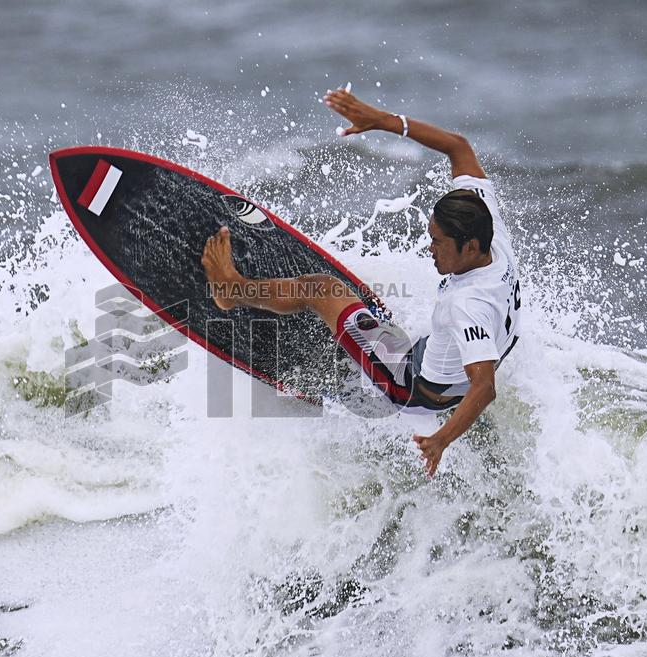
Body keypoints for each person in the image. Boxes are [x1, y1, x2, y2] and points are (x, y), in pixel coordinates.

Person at [201, 88, 521, 477]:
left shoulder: (468, 304)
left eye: (438, 243)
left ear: (470, 245)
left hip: (412, 385)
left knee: (320, 288)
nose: (429, 248)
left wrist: (440, 440)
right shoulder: (490, 229)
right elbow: (458, 147)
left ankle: (231, 292)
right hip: (444, 371)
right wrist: (385, 122)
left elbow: (484, 386)